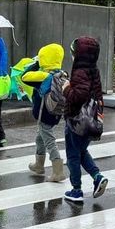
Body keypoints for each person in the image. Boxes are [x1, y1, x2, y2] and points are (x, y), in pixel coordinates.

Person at [61, 36, 108, 203]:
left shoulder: (80, 72)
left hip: (77, 120)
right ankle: (97, 176)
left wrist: (66, 88)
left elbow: (79, 95)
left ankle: (76, 190)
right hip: (90, 120)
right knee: (82, 151)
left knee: (73, 155)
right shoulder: (93, 70)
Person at [22, 43, 67, 182]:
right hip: (55, 113)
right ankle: (39, 165)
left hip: (44, 114)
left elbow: (24, 76)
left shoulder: (43, 76)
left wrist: (35, 63)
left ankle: (58, 171)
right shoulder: (62, 75)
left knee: (49, 141)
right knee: (40, 138)